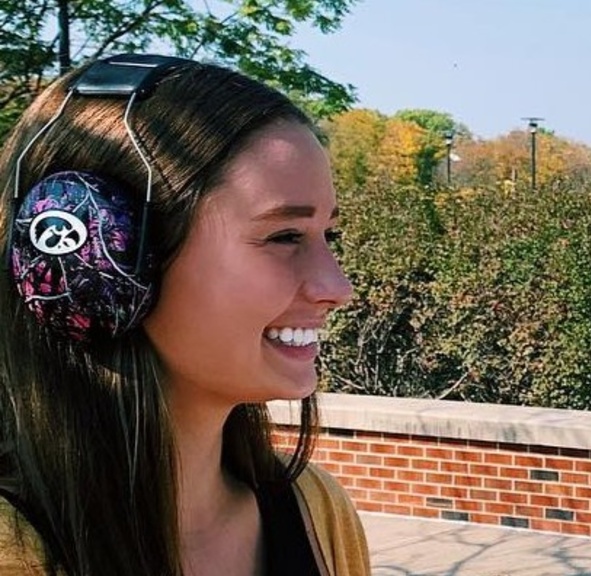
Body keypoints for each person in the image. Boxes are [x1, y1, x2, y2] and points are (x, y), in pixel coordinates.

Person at [0, 54, 371, 575]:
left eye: (328, 235)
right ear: (93, 262)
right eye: (285, 236)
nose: (337, 288)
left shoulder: (317, 511)